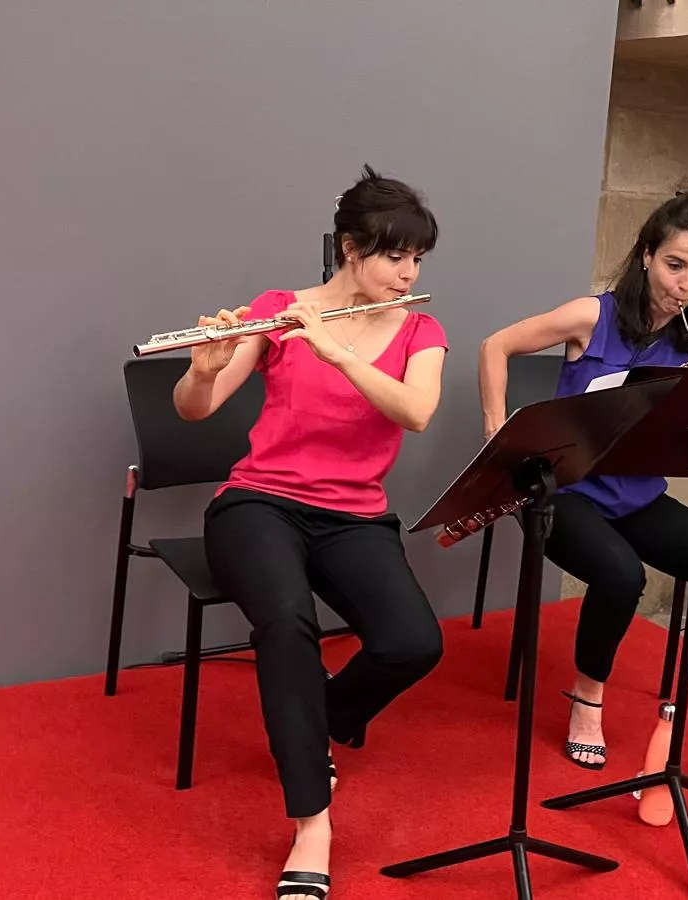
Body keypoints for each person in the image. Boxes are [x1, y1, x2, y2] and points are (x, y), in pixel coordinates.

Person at [475, 192, 688, 812]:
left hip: (634, 497)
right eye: (675, 265)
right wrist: (499, 431)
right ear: (647, 255)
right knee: (620, 575)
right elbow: (495, 345)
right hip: (562, 492)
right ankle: (586, 697)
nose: (686, 284)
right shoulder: (589, 315)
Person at [174, 165, 448, 899]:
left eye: (418, 258)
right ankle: (312, 823)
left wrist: (334, 349)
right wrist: (203, 370)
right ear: (351, 248)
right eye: (395, 255)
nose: (408, 271)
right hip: (258, 503)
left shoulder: (421, 328)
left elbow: (415, 412)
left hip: (353, 514)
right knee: (287, 623)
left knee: (414, 642)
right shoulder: (277, 311)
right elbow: (195, 410)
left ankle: (312, 715)